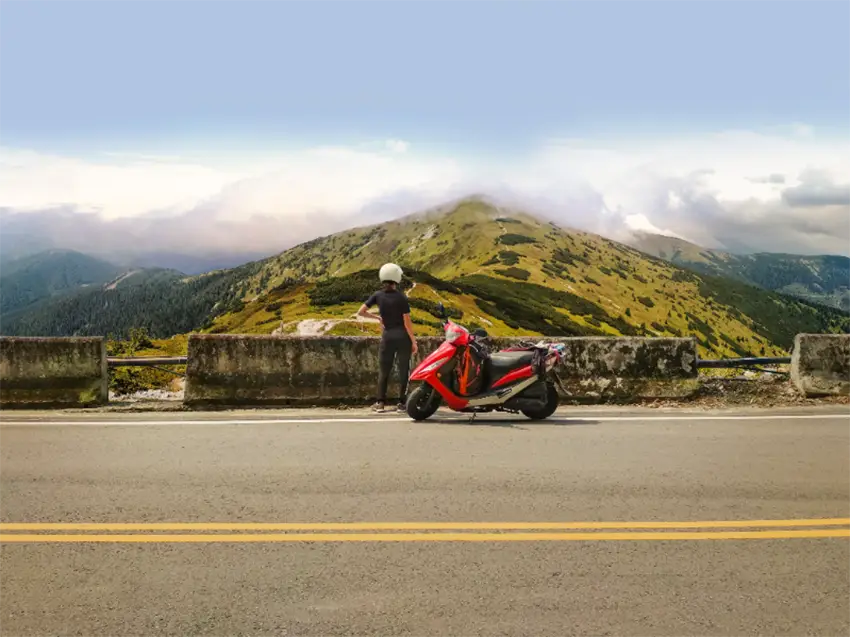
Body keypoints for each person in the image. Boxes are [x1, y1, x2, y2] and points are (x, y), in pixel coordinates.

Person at [357, 263, 419, 412]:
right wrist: (413, 340)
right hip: (402, 337)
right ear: (397, 278)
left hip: (387, 337)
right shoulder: (402, 297)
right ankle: (401, 403)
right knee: (404, 370)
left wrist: (378, 318)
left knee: (384, 370)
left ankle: (380, 403)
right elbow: (407, 322)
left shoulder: (377, 296)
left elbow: (361, 311)